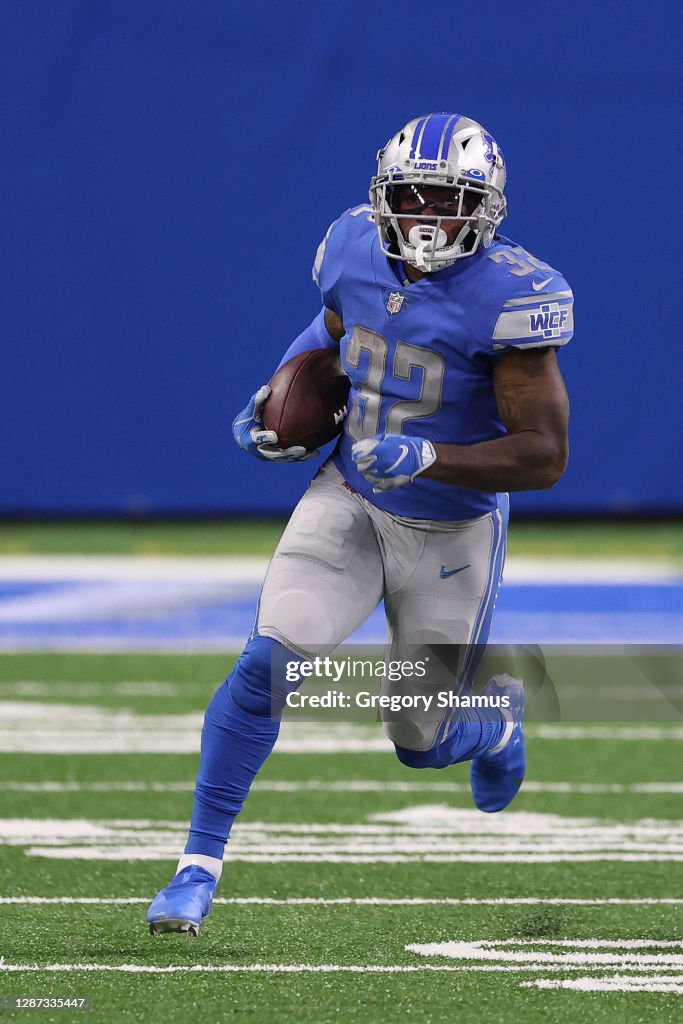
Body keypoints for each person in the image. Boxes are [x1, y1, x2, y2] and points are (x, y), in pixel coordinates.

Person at [147, 112, 572, 935]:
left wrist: (432, 460)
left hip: (453, 532)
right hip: (349, 498)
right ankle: (195, 867)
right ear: (382, 196)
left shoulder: (516, 295)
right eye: (411, 196)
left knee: (418, 736)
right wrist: (279, 392)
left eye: (448, 201)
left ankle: (491, 724)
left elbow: (544, 453)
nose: (425, 217)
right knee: (269, 663)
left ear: (486, 208)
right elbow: (334, 330)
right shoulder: (350, 245)